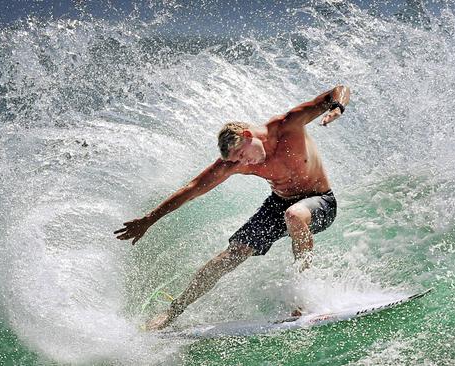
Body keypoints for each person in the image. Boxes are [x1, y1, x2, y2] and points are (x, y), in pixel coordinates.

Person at [114, 85, 351, 330]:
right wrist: (149, 219)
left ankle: (304, 297)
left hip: (321, 201)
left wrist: (338, 107)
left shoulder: (286, 126)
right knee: (230, 256)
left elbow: (338, 90)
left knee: (294, 215)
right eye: (236, 160)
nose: (242, 163)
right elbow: (193, 188)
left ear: (248, 136)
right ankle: (174, 311)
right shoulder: (235, 163)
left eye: (241, 154)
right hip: (278, 205)